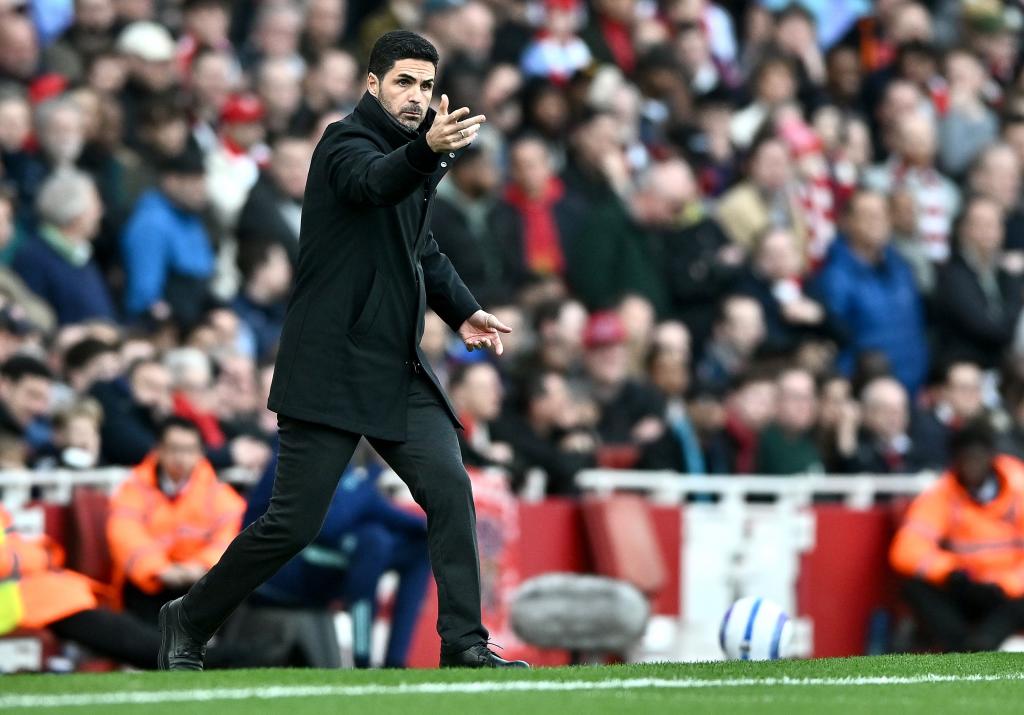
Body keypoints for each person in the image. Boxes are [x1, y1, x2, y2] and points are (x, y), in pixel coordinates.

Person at [159, 31, 528, 671]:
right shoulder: (343, 142)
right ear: (373, 84)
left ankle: (465, 644)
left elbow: (419, 248)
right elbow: (370, 185)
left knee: (450, 490)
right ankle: (188, 619)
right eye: (404, 82)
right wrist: (425, 153)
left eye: (427, 86)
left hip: (395, 364)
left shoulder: (416, 154)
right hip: (330, 367)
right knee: (293, 525)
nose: (417, 97)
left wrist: (463, 309)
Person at [890, 420, 1024, 652]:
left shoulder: (1018, 487)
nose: (971, 466)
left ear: (991, 457)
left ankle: (983, 643)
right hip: (966, 586)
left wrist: (1005, 585)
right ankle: (963, 648)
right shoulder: (944, 493)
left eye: (977, 458)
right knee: (914, 587)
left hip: (1008, 592)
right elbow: (906, 550)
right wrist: (950, 572)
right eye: (965, 458)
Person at [108, 416, 246, 626]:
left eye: (189, 450)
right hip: (149, 583)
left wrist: (201, 566)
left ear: (200, 453)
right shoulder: (133, 489)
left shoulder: (217, 493)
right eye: (173, 448)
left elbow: (230, 533)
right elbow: (124, 533)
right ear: (159, 450)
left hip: (200, 582)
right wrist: (159, 570)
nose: (181, 457)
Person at [812, 188, 929, 394]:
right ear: (847, 222)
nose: (877, 222)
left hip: (912, 388)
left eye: (882, 215)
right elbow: (836, 337)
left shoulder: (903, 268)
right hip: (867, 391)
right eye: (868, 216)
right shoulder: (834, 277)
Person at [12, 168, 116, 325]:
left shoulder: (81, 255)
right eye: (95, 203)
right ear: (74, 211)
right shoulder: (34, 258)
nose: (100, 211)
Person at [754, 367, 824, 475]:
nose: (804, 405)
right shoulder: (758, 442)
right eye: (796, 397)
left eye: (809, 397)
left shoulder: (816, 438)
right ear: (777, 401)